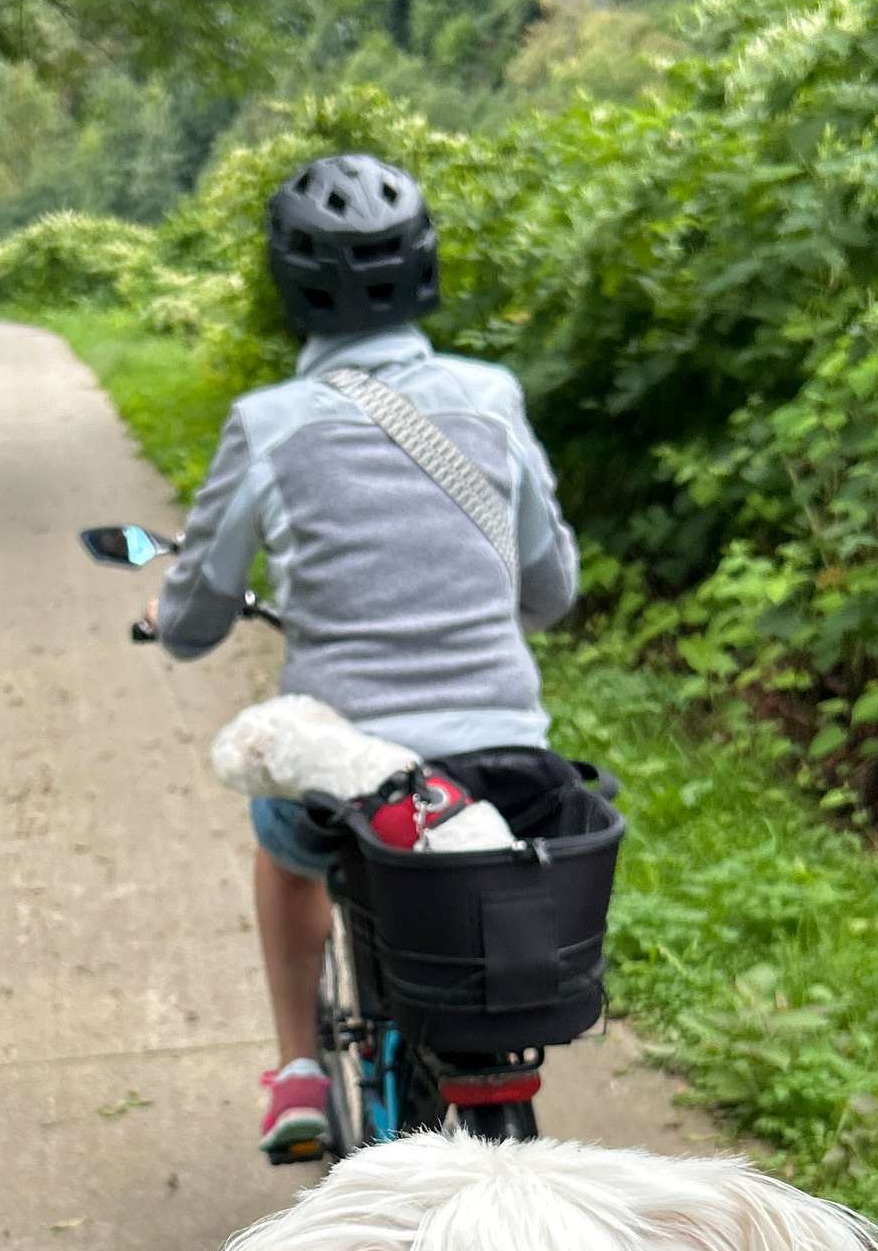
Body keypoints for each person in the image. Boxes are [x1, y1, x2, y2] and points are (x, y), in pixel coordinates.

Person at [151, 151, 580, 1159]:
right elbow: (552, 593)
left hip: (345, 784)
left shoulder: (268, 424)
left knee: (282, 844)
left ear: (288, 285)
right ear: (424, 265)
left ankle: (298, 1070)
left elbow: (193, 620)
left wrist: (174, 619)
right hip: (502, 768)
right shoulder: (492, 397)